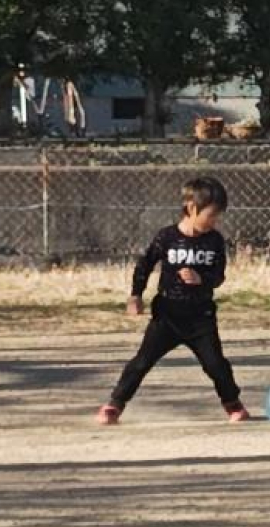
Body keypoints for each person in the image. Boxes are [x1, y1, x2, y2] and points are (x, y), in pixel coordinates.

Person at [96, 177, 249, 425]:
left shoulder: (214, 241)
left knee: (216, 364)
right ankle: (114, 404)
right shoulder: (166, 237)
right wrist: (136, 295)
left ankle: (232, 403)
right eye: (210, 215)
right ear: (191, 208)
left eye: (217, 216)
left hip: (201, 317)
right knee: (142, 362)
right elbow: (144, 265)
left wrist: (202, 278)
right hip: (167, 316)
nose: (214, 221)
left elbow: (219, 276)